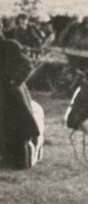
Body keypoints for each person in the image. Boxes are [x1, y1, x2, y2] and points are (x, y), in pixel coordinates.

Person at [0, 32, 40, 169]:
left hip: (11, 94)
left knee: (17, 129)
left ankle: (21, 161)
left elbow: (28, 66)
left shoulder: (10, 46)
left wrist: (14, 81)